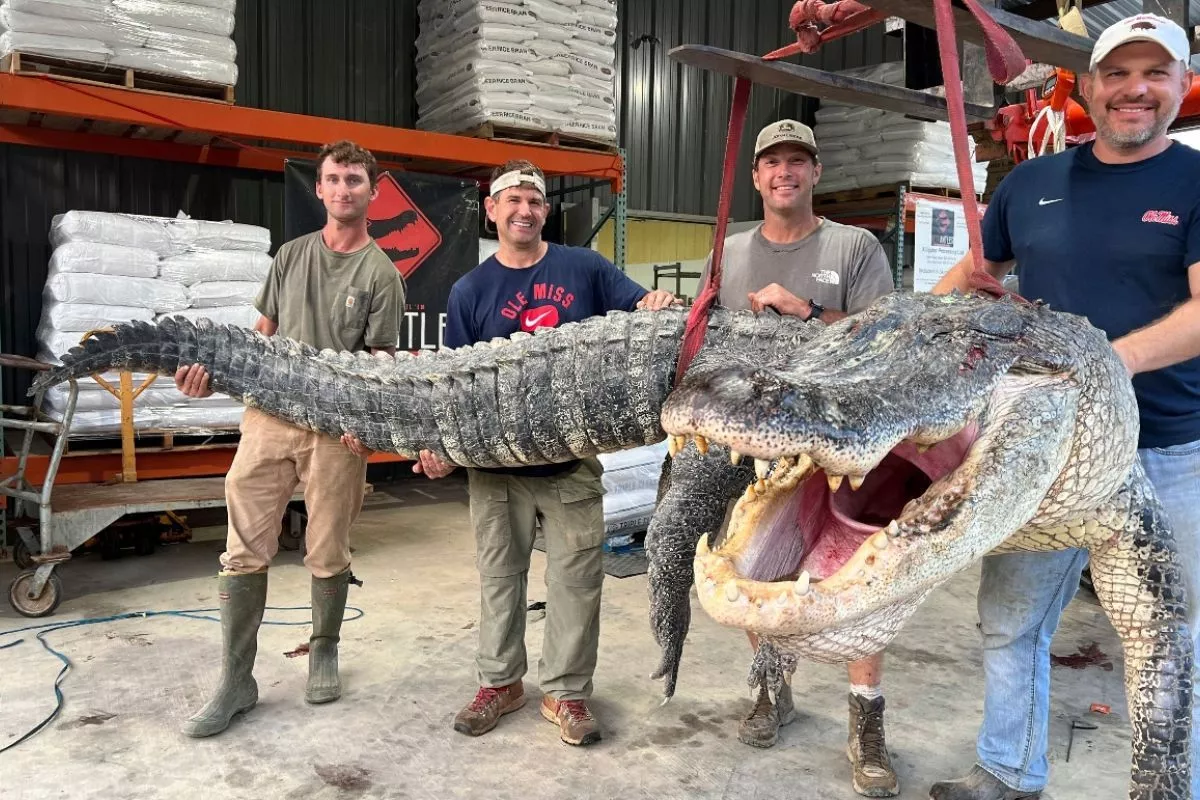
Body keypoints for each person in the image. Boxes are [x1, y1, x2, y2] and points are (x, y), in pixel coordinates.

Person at [928, 14, 1200, 799]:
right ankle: (1009, 772)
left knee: (1167, 636)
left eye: (1156, 74)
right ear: (1089, 88)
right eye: (1118, 74)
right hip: (1044, 450)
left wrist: (1109, 362)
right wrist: (919, 324)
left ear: (1181, 85)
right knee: (1011, 618)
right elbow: (974, 277)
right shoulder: (1033, 183)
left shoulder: (1195, 184)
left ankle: (1168, 789)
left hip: (1166, 445)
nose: (1135, 90)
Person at [413, 159, 678, 747]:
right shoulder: (470, 290)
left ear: (545, 210)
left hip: (569, 464)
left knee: (577, 580)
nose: (524, 210)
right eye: (512, 200)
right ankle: (500, 683)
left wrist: (656, 301)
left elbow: (641, 311)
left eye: (534, 200)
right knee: (499, 579)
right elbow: (453, 385)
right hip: (494, 471)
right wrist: (441, 447)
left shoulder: (583, 267)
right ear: (492, 210)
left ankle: (566, 694)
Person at [174, 140, 405, 737]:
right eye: (334, 179)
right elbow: (260, 338)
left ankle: (324, 648)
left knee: (327, 548)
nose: (344, 189)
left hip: (336, 431)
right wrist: (211, 378)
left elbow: (380, 364)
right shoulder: (291, 256)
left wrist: (366, 424)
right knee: (242, 546)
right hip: (269, 418)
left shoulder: (381, 274)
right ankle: (236, 678)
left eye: (355, 179)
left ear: (372, 192)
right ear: (320, 189)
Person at [699, 119, 899, 797]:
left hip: (840, 447)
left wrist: (809, 311)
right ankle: (772, 691)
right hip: (759, 444)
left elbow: (887, 339)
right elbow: (705, 339)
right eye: (771, 163)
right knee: (755, 566)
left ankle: (866, 723)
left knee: (856, 575)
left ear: (815, 173)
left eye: (797, 162)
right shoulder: (727, 253)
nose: (784, 172)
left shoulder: (853, 246)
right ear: (756, 177)